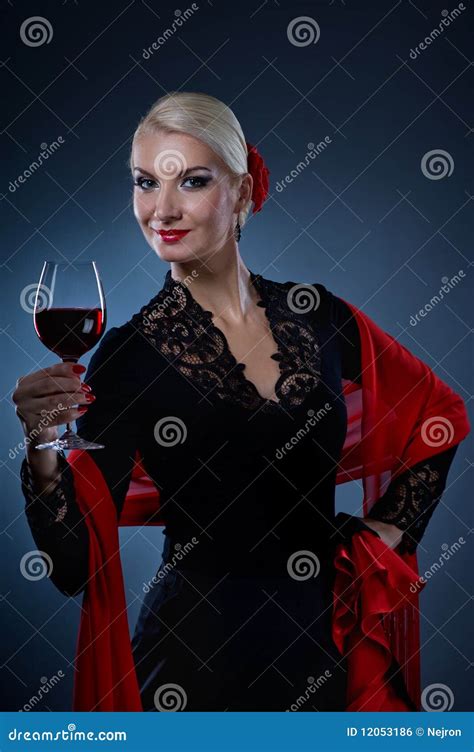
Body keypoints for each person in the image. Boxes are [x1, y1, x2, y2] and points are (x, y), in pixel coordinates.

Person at [13, 92, 469, 712]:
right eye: (146, 183)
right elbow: (72, 567)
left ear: (246, 190)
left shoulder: (320, 315)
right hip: (195, 659)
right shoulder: (129, 355)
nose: (162, 210)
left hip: (323, 642)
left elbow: (438, 416)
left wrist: (385, 534)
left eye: (192, 181)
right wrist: (42, 446)